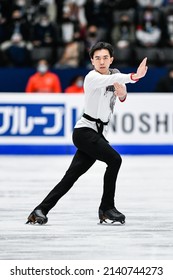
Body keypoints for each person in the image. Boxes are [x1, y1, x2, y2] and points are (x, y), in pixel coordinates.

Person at [26, 41, 148, 225]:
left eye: (105, 58)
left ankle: (40, 209)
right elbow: (110, 81)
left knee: (71, 176)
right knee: (115, 160)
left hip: (97, 135)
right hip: (84, 132)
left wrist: (122, 94)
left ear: (111, 59)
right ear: (92, 61)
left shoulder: (115, 75)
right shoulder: (92, 77)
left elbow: (118, 96)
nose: (101, 61)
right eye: (97, 58)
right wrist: (134, 76)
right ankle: (107, 207)